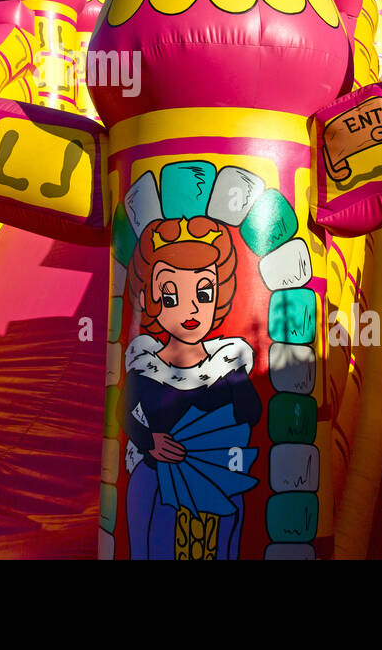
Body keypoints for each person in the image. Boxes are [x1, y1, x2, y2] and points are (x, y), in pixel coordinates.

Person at [120, 216, 261, 559]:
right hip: (155, 482)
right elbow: (123, 412)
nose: (192, 308)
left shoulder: (226, 366)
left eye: (204, 292)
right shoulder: (146, 368)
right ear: (153, 300)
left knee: (219, 544)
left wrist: (237, 377)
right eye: (171, 296)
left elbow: (251, 414)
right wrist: (148, 440)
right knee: (153, 544)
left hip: (214, 479)